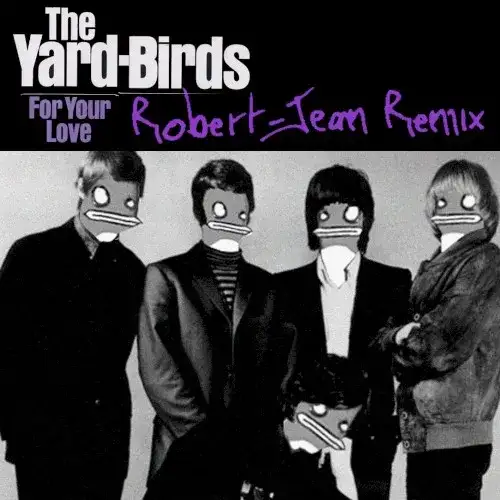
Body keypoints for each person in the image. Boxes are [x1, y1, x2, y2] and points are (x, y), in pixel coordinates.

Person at [137, 159, 294, 500]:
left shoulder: (269, 287)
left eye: (240, 210)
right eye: (219, 208)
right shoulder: (165, 276)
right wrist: (211, 445)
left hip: (254, 461)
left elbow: (284, 371)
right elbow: (158, 372)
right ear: (201, 211)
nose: (230, 219)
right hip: (184, 457)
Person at [0, 151, 147, 500]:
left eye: (129, 202)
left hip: (104, 443)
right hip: (41, 440)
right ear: (82, 188)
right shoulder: (29, 254)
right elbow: (4, 346)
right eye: (106, 196)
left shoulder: (134, 271)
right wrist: (15, 428)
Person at [274, 165, 412, 500]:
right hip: (304, 439)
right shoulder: (283, 288)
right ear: (314, 220)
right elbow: (274, 370)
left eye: (350, 212)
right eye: (325, 213)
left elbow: (406, 364)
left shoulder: (394, 283)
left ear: (364, 219)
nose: (337, 224)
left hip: (369, 442)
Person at [374, 159, 500, 500]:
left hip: (456, 436)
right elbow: (392, 334)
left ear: (484, 207)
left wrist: (400, 342)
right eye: (441, 201)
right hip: (425, 431)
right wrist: (399, 336)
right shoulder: (440, 263)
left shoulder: (484, 261)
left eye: (465, 200)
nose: (450, 210)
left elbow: (436, 347)